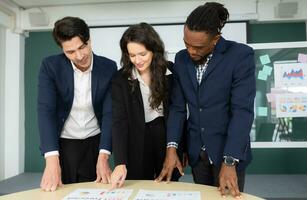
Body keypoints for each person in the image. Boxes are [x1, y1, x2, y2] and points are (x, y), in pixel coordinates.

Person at [156, 2, 256, 198]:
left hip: (227, 151)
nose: (191, 51)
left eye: (198, 47)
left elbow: (242, 111)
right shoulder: (182, 59)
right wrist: (172, 148)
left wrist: (229, 161)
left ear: (215, 39)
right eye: (186, 44)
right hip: (197, 153)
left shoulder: (240, 56)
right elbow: (177, 108)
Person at [37, 16, 117, 192]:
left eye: (82, 47)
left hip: (95, 142)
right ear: (62, 49)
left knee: (96, 192)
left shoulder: (109, 67)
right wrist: (51, 160)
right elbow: (46, 111)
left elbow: (109, 113)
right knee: (61, 192)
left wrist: (104, 156)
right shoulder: (50, 66)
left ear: (89, 40)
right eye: (70, 52)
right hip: (64, 143)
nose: (79, 56)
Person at [110, 22, 182, 189]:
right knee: (139, 185)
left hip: (165, 134)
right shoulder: (119, 79)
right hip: (136, 137)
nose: (137, 60)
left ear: (154, 50)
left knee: (168, 184)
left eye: (142, 54)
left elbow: (178, 111)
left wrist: (179, 147)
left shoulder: (170, 71)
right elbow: (118, 121)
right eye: (132, 55)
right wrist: (120, 162)